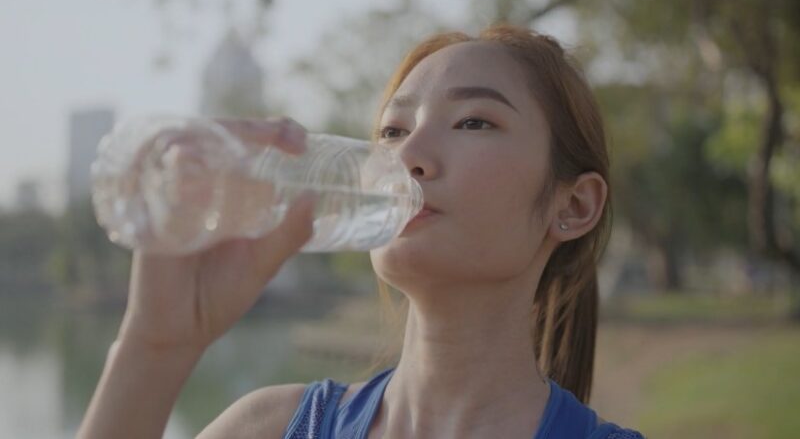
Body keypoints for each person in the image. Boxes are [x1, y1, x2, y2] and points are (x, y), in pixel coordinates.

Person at [78, 24, 645, 439]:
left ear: (574, 205)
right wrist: (155, 347)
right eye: (393, 131)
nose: (409, 156)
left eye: (474, 121)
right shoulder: (271, 429)